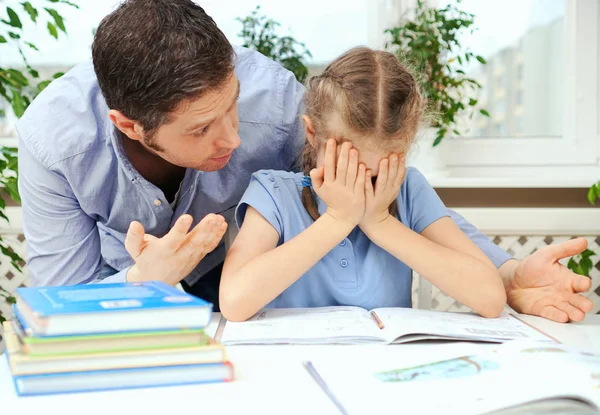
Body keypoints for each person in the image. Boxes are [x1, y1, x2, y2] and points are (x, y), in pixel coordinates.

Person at [16, 0, 592, 322]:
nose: (233, 139)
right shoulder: (56, 141)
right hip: (145, 291)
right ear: (129, 127)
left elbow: (397, 188)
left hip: (248, 279)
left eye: (233, 107)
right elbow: (59, 307)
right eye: (201, 129)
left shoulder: (285, 103)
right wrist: (145, 281)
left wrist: (506, 272)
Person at [219, 47, 508, 321]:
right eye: (349, 165)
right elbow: (234, 301)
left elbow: (490, 297)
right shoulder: (273, 193)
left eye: (378, 173)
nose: (363, 187)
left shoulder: (410, 191)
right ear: (312, 133)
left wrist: (380, 222)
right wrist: (338, 219)